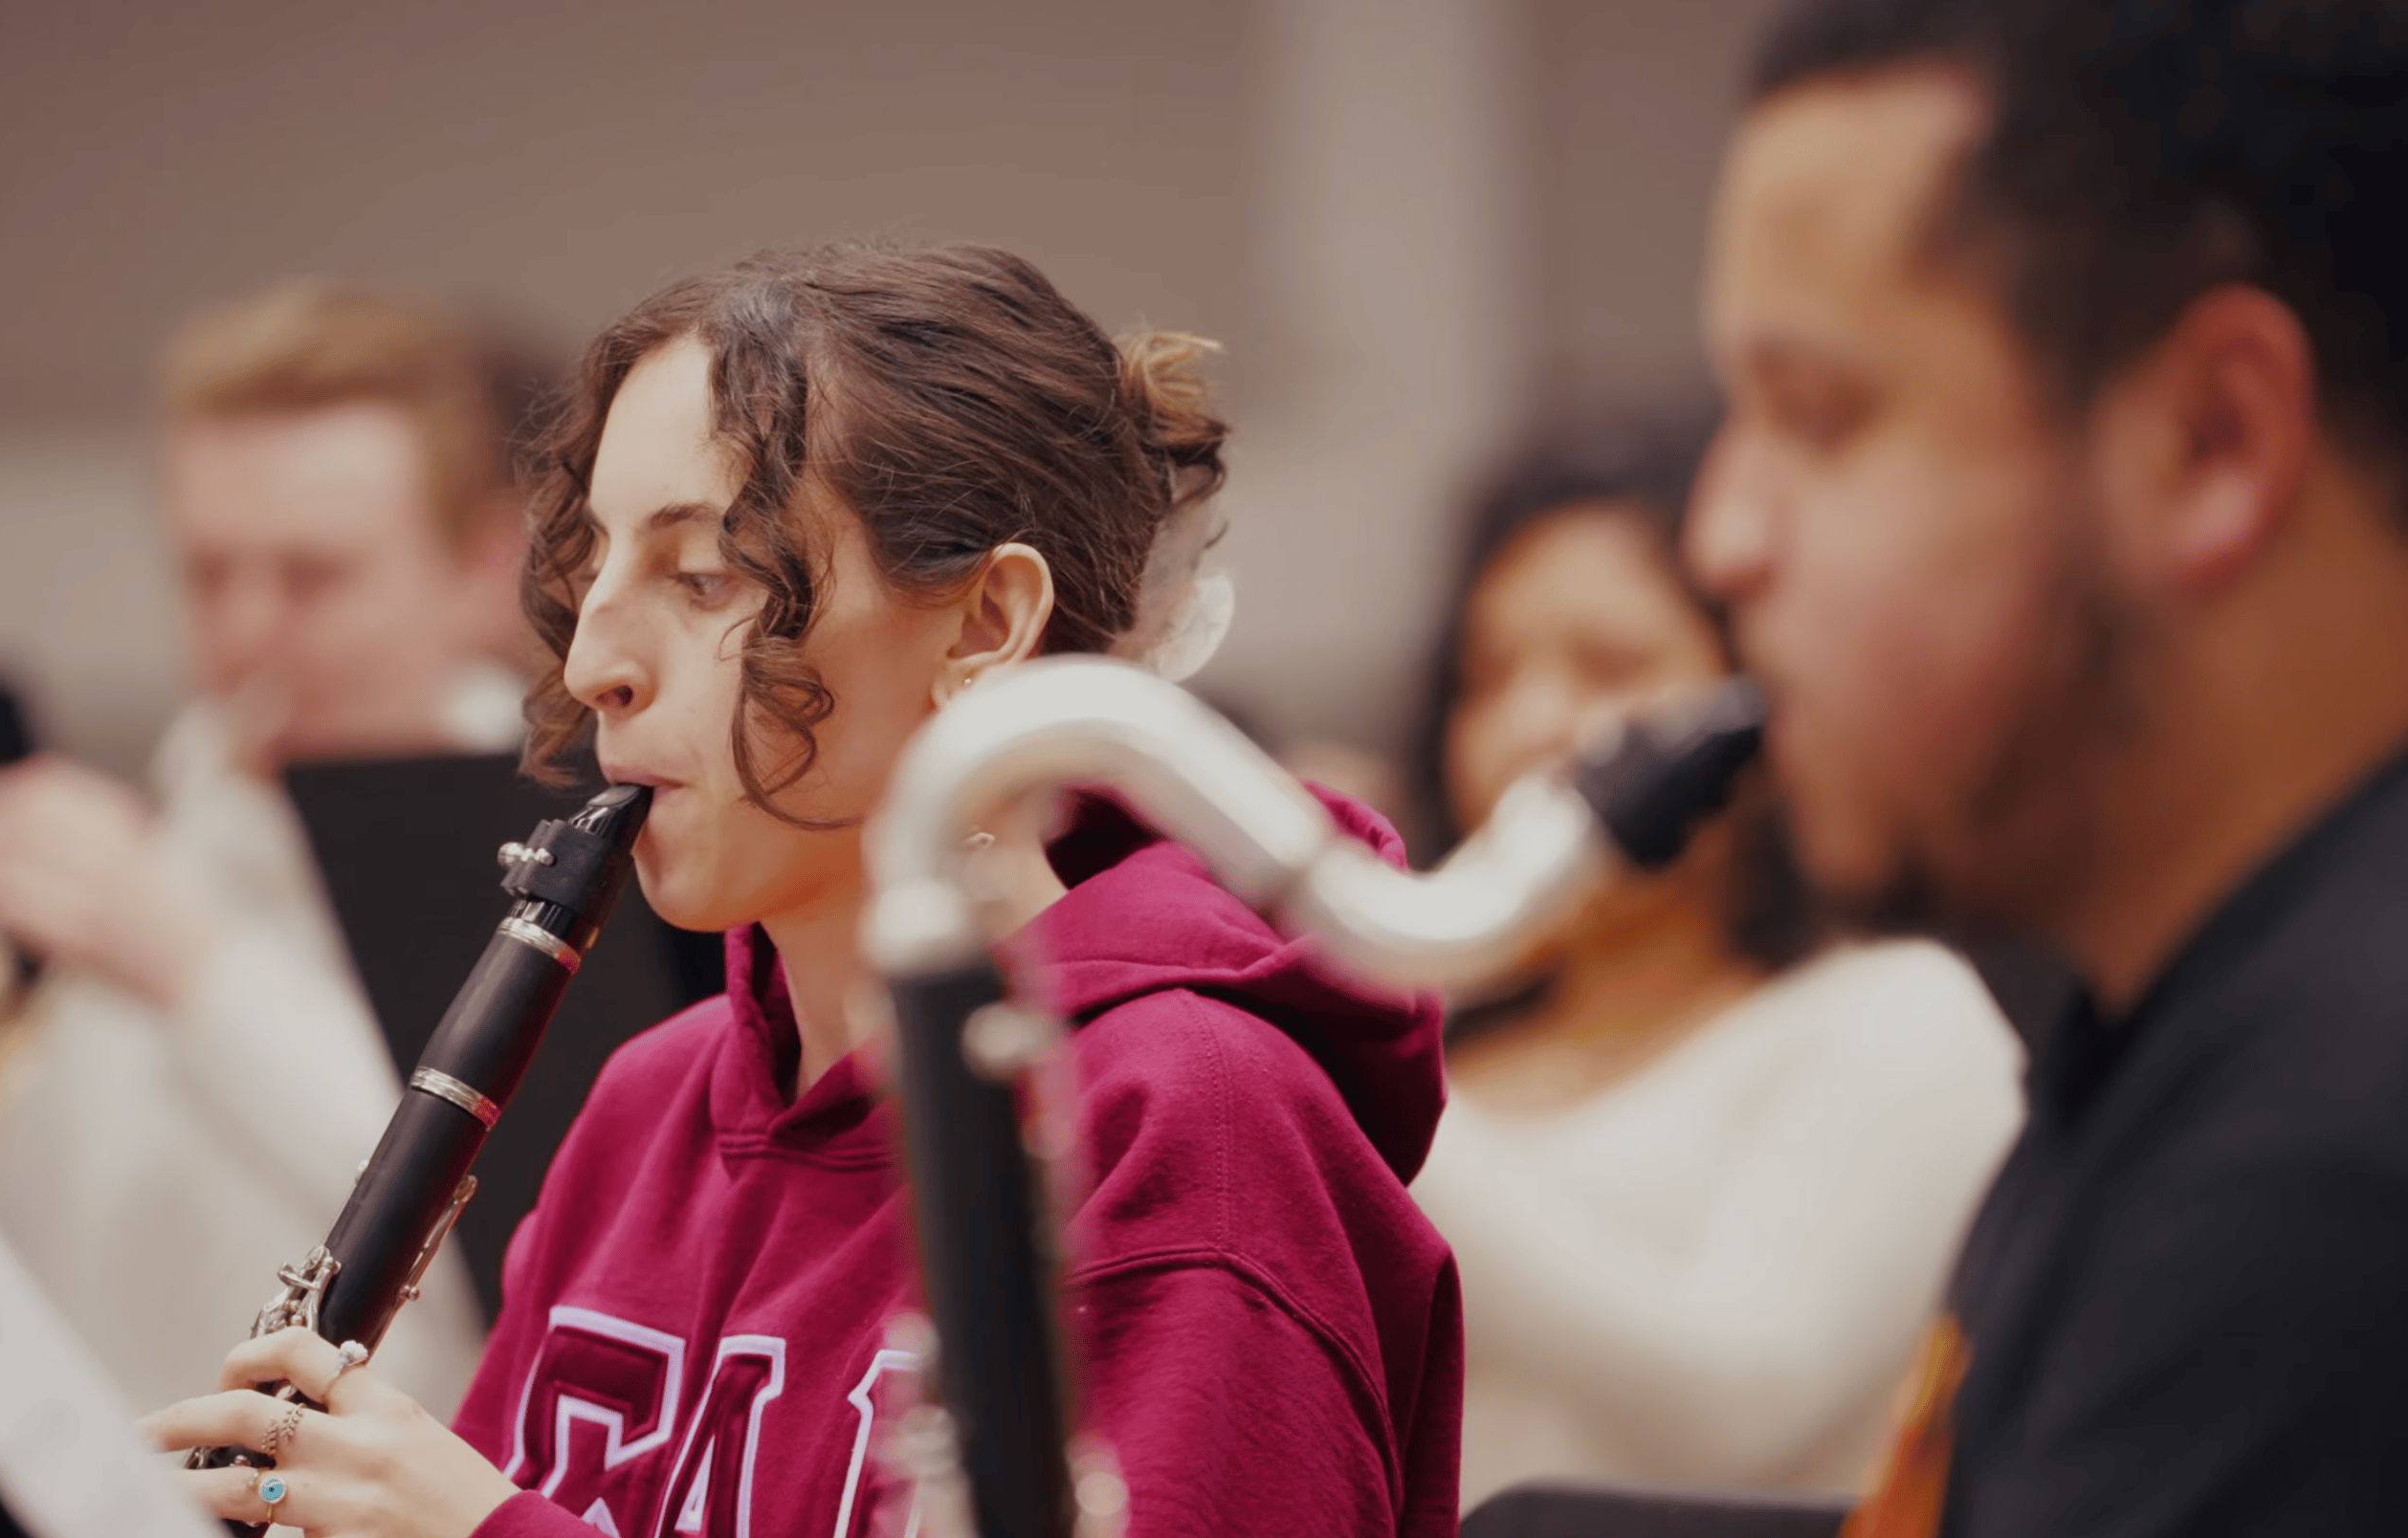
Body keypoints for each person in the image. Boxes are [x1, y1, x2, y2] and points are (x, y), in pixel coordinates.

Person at [143, 241, 1464, 1538]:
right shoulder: (646, 1108)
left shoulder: (1182, 1126)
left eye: (702, 573)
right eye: (595, 563)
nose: (598, 656)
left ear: (984, 624)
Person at [1685, 0, 2408, 1531]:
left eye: (1820, 419)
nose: (1724, 538)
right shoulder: (2184, 1037)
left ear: (2212, 438)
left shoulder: (2335, 1187)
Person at [0, 281, 541, 1415]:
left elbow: (507, 1253)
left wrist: (189, 967)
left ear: (480, 570)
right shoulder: (176, 818)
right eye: (209, 574)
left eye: (314, 578)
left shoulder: (572, 856)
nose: (244, 633)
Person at [1403, 414, 2020, 1506]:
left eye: (1611, 665)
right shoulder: (1440, 1049)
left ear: (1755, 700)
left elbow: (1745, 1404)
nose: (1531, 724)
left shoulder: (1898, 1015)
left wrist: (1346, 1082)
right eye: (1487, 674)